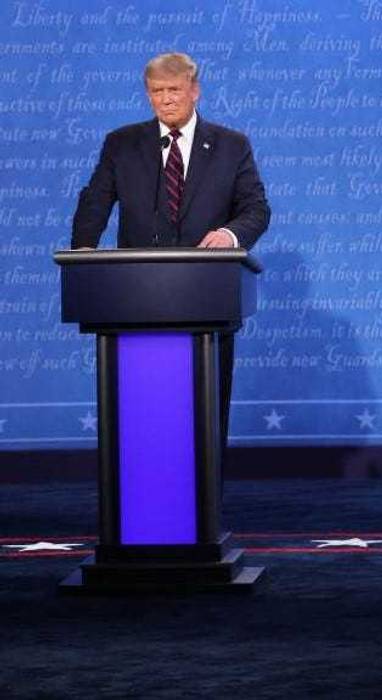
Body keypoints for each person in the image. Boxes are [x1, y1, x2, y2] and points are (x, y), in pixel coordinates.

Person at [70, 51, 271, 447]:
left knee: (203, 418)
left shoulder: (232, 146)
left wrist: (230, 236)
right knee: (143, 420)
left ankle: (207, 496)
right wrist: (83, 252)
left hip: (208, 297)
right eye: (156, 91)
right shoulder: (122, 143)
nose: (166, 99)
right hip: (136, 300)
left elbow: (256, 209)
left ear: (194, 90)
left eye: (174, 90)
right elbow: (96, 201)